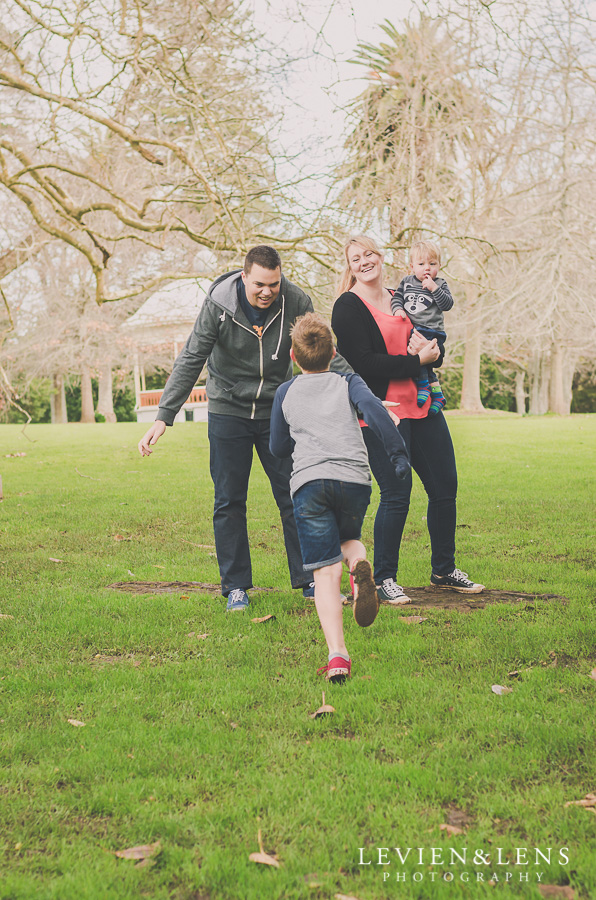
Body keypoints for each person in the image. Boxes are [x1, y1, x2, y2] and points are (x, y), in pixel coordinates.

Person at [138, 245, 346, 611]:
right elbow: (192, 357)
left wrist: (359, 392)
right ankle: (236, 586)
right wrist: (163, 416)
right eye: (260, 284)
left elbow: (325, 347)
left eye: (274, 284)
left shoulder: (295, 300)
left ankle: (311, 579)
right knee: (229, 500)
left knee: (295, 494)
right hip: (228, 411)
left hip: (276, 411)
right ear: (244, 276)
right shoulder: (218, 305)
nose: (267, 292)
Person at [331, 235, 485, 604]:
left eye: (369, 253)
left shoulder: (403, 293)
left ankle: (443, 571)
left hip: (423, 404)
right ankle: (384, 578)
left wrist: (431, 354)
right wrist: (416, 361)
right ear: (349, 266)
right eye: (356, 257)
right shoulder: (347, 307)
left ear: (381, 257)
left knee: (445, 487)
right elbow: (364, 364)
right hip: (383, 412)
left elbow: (433, 344)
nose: (364, 261)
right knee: (397, 494)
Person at [269, 313, 410, 682]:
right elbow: (376, 413)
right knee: (347, 540)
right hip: (354, 482)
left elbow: (278, 446)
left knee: (323, 571)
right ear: (333, 352)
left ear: (292, 356)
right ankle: (359, 562)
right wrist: (397, 456)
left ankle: (338, 655)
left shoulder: (285, 392)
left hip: (310, 485)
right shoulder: (349, 381)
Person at [391, 239, 453, 416]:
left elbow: (447, 304)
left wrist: (434, 289)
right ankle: (438, 394)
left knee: (418, 356)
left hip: (433, 331)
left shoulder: (440, 284)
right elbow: (397, 298)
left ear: (439, 266)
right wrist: (398, 309)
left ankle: (424, 386)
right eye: (421, 263)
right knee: (419, 358)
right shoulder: (406, 282)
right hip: (414, 329)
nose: (427, 268)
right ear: (412, 266)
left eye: (432, 264)